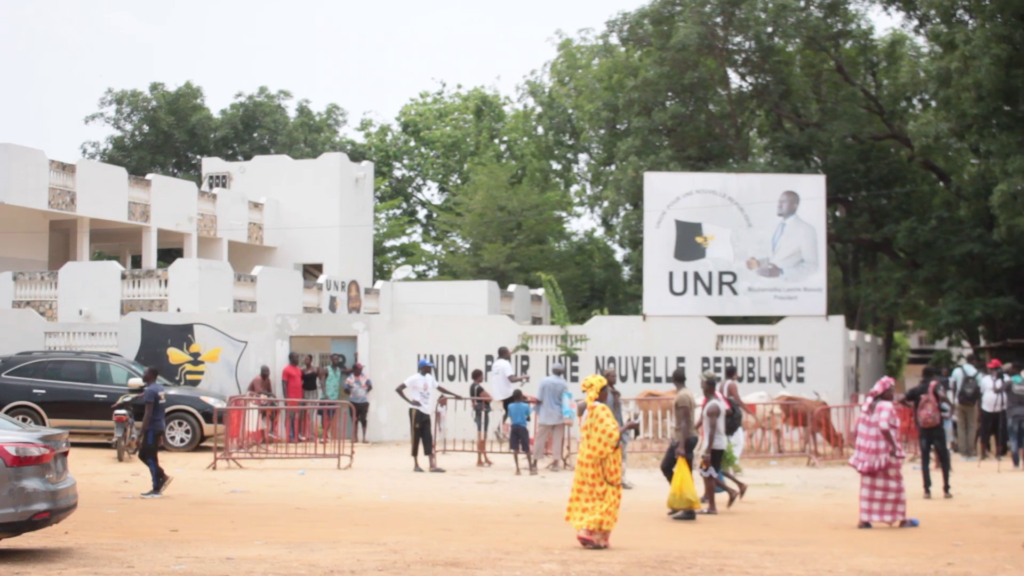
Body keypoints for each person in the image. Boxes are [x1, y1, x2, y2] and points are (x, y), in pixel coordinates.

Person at [565, 374, 639, 549]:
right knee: (605, 495)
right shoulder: (601, 410)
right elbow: (610, 436)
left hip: (586, 459)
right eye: (606, 391)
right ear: (601, 392)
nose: (608, 394)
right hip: (600, 462)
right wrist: (627, 427)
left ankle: (596, 536)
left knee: (591, 496)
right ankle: (591, 532)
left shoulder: (584, 407)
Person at [849, 376, 918, 529]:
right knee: (895, 485)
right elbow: (884, 426)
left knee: (868, 487)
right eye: (890, 391)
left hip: (869, 454)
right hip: (885, 453)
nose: (893, 394)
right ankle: (901, 518)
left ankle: (864, 519)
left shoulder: (868, 406)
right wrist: (893, 446)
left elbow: (857, 427)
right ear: (883, 392)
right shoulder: (886, 406)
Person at [395, 359, 461, 473]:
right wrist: (410, 401)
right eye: (428, 366)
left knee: (428, 437)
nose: (430, 368)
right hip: (416, 411)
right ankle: (416, 464)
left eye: (430, 366)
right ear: (422, 367)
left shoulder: (430, 378)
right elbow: (399, 388)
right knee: (415, 437)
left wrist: (454, 394)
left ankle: (432, 465)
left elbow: (439, 387)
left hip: (426, 411)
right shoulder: (414, 378)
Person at [901, 366, 952, 499]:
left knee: (925, 459)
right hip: (937, 426)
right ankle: (946, 489)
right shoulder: (935, 386)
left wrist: (912, 407)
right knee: (943, 457)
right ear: (933, 376)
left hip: (923, 428)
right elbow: (942, 396)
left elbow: (901, 398)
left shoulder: (917, 389)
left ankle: (927, 490)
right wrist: (951, 406)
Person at [746, 190, 818, 280]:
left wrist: (782, 272)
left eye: (784, 201)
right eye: (779, 201)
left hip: (793, 287)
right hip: (769, 286)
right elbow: (776, 258)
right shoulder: (776, 227)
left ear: (795, 205)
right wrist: (758, 263)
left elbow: (812, 265)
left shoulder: (805, 229)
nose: (779, 205)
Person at [660, 368, 699, 521]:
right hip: (686, 437)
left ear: (673, 380)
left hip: (684, 438)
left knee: (667, 466)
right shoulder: (687, 393)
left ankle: (688, 508)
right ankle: (681, 502)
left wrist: (681, 445)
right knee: (682, 471)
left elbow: (684, 421)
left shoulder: (682, 396)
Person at [698, 375, 738, 514]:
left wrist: (708, 452)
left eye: (703, 386)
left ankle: (712, 507)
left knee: (708, 474)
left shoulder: (713, 407)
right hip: (715, 445)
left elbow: (712, 430)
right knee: (707, 473)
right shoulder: (714, 403)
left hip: (714, 446)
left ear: (709, 388)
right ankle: (730, 491)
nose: (702, 388)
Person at [717, 366, 751, 497]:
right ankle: (733, 465)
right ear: (734, 374)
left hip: (725, 417)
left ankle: (731, 468)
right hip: (732, 417)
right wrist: (749, 411)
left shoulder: (722, 384)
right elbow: (737, 399)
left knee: (730, 443)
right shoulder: (731, 384)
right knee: (738, 441)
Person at [139, 366, 171, 499]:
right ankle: (162, 475)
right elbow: (161, 409)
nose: (143, 375)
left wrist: (141, 432)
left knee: (151, 458)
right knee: (142, 455)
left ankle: (156, 488)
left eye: (145, 373)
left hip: (152, 428)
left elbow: (148, 413)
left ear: (151, 375)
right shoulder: (159, 388)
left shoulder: (151, 390)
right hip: (159, 426)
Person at [534, 363, 569, 471]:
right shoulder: (564, 383)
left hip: (545, 414)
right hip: (558, 414)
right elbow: (566, 400)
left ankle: (534, 463)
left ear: (552, 370)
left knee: (540, 439)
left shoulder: (544, 381)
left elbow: (539, 398)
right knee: (557, 440)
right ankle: (556, 464)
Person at [602, 368, 633, 489]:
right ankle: (617, 479)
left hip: (618, 426)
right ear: (606, 378)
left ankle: (621, 478)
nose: (615, 379)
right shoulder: (606, 395)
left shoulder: (614, 393)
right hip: (612, 429)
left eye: (615, 376)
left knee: (622, 454)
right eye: (612, 376)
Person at [490, 346, 530, 433]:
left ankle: (499, 428)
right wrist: (523, 377)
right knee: (525, 401)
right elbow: (512, 379)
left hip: (498, 393)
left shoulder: (495, 364)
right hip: (507, 393)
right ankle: (526, 419)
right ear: (505, 353)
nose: (510, 354)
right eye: (509, 353)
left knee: (508, 411)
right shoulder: (505, 363)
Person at [950, 355, 981, 459]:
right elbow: (979, 391)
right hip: (972, 403)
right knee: (972, 427)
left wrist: (953, 401)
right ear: (974, 361)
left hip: (959, 401)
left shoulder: (957, 371)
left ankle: (963, 452)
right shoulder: (977, 373)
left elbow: (953, 387)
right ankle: (970, 451)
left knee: (961, 427)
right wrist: (979, 405)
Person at [979, 359, 1007, 460]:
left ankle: (999, 453)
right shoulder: (985, 379)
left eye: (994, 369)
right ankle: (983, 453)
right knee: (985, 431)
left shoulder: (1005, 379)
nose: (992, 371)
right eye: (991, 369)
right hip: (987, 409)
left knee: (999, 431)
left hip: (1001, 409)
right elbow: (981, 392)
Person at [507, 389, 536, 475]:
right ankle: (531, 469)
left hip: (514, 427)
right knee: (527, 449)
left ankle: (517, 469)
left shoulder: (510, 406)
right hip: (522, 427)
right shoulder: (525, 406)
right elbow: (528, 417)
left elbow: (510, 417)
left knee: (515, 449)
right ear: (521, 396)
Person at [469, 369, 494, 467]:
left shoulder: (472, 387)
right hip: (482, 412)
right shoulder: (478, 388)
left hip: (478, 411)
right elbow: (489, 398)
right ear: (478, 377)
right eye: (482, 376)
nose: (483, 377)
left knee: (481, 435)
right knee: (482, 436)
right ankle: (480, 459)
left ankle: (484, 458)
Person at [247, 365, 277, 440]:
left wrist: (272, 397)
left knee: (275, 407)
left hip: (262, 400)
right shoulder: (258, 379)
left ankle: (271, 431)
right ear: (262, 372)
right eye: (266, 371)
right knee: (258, 419)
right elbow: (259, 392)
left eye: (268, 371)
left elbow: (269, 391)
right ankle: (256, 436)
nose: (268, 373)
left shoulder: (268, 379)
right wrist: (270, 394)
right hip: (253, 401)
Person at [345, 363, 372, 444]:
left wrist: (364, 393)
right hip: (353, 402)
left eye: (361, 369)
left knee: (363, 419)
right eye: (359, 369)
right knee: (354, 420)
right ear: (354, 370)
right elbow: (345, 389)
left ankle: (364, 438)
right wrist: (352, 394)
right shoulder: (350, 378)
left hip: (363, 402)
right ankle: (355, 438)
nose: (361, 370)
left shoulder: (365, 377)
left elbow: (370, 386)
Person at [1005, 363, 1024, 469]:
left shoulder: (1009, 382)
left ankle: (1016, 463)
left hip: (1012, 414)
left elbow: (998, 390)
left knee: (1013, 438)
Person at [321, 354, 344, 441]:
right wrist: (325, 394)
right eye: (334, 359)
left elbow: (349, 370)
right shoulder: (326, 369)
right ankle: (324, 435)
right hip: (325, 398)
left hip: (334, 398)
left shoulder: (339, 370)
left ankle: (324, 434)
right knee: (324, 417)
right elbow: (322, 382)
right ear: (331, 359)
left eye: (337, 359)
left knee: (330, 417)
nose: (336, 361)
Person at [282, 352, 304, 442]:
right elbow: (284, 384)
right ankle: (290, 436)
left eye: (298, 357)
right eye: (296, 357)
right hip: (291, 398)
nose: (298, 359)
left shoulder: (299, 369)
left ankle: (296, 435)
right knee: (289, 418)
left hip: (299, 398)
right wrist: (286, 398)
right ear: (291, 359)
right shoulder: (286, 369)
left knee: (297, 418)